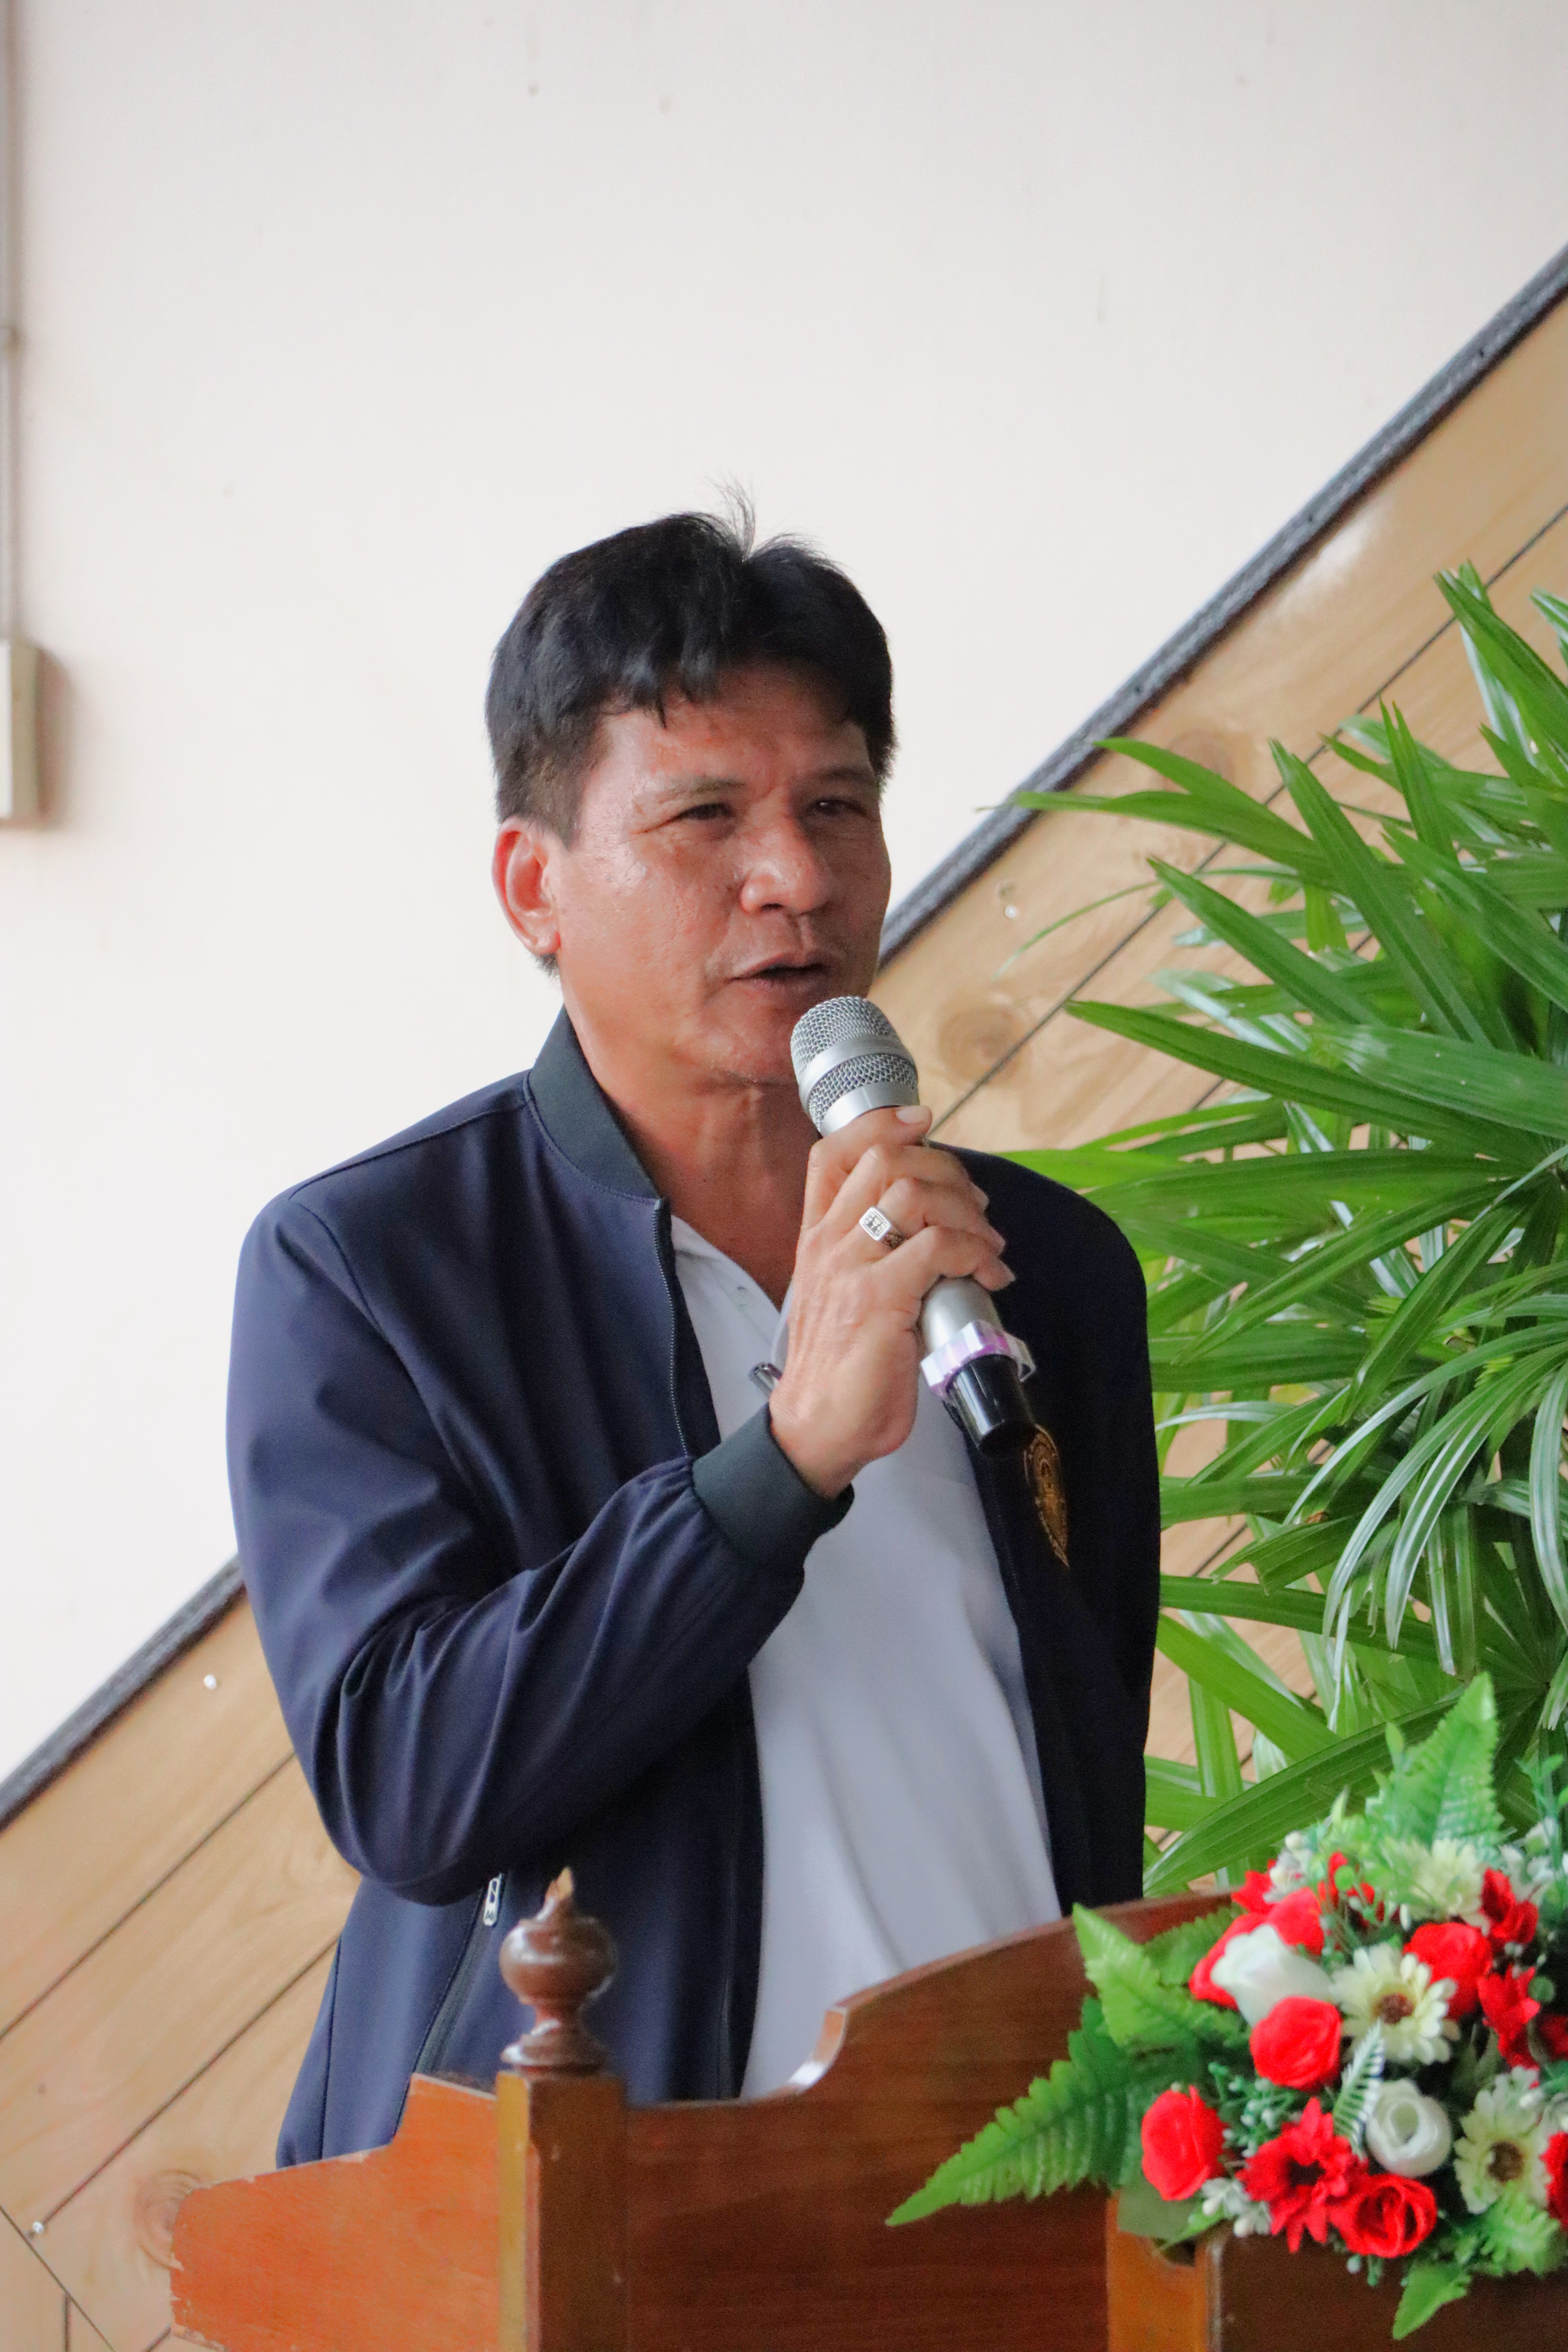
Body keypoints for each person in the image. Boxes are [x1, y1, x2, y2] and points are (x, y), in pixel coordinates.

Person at [227, 509, 1159, 2166]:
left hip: (1010, 2196)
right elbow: (411, 1786)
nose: (795, 877)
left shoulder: (1043, 1274)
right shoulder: (372, 1268)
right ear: (535, 888)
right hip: (592, 2216)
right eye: (706, 816)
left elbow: (1088, 1790)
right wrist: (784, 1463)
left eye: (837, 807)